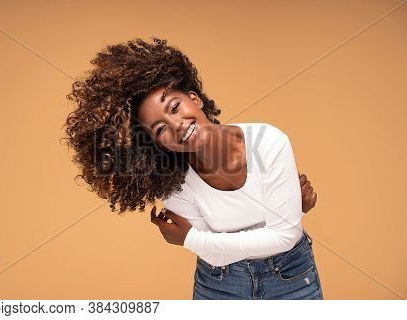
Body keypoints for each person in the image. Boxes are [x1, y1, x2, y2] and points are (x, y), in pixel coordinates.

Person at [62, 37, 322, 300]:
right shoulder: (172, 182)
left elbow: (285, 237)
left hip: (291, 276)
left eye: (175, 107)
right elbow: (217, 256)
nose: (177, 125)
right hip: (220, 284)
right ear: (155, 144)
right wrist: (283, 215)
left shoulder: (268, 142)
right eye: (160, 129)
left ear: (194, 98)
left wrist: (190, 239)